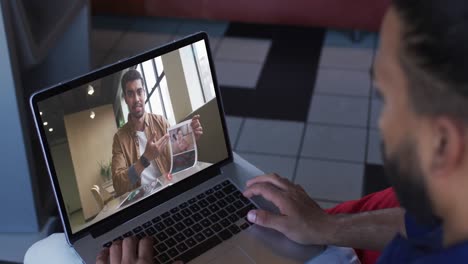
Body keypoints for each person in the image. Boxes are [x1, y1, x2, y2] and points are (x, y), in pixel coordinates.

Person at [99, 0, 468, 262]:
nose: (382, 122)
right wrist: (327, 227)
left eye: (387, 99)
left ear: (444, 143)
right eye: (130, 94)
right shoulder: (452, 209)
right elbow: (120, 184)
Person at [112, 69, 203, 196]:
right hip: (144, 200)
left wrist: (191, 140)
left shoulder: (161, 122)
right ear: (126, 99)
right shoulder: (119, 138)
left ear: (144, 93)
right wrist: (145, 159)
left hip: (169, 189)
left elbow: (179, 162)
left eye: (139, 92)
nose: (136, 98)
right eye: (131, 94)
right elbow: (118, 185)